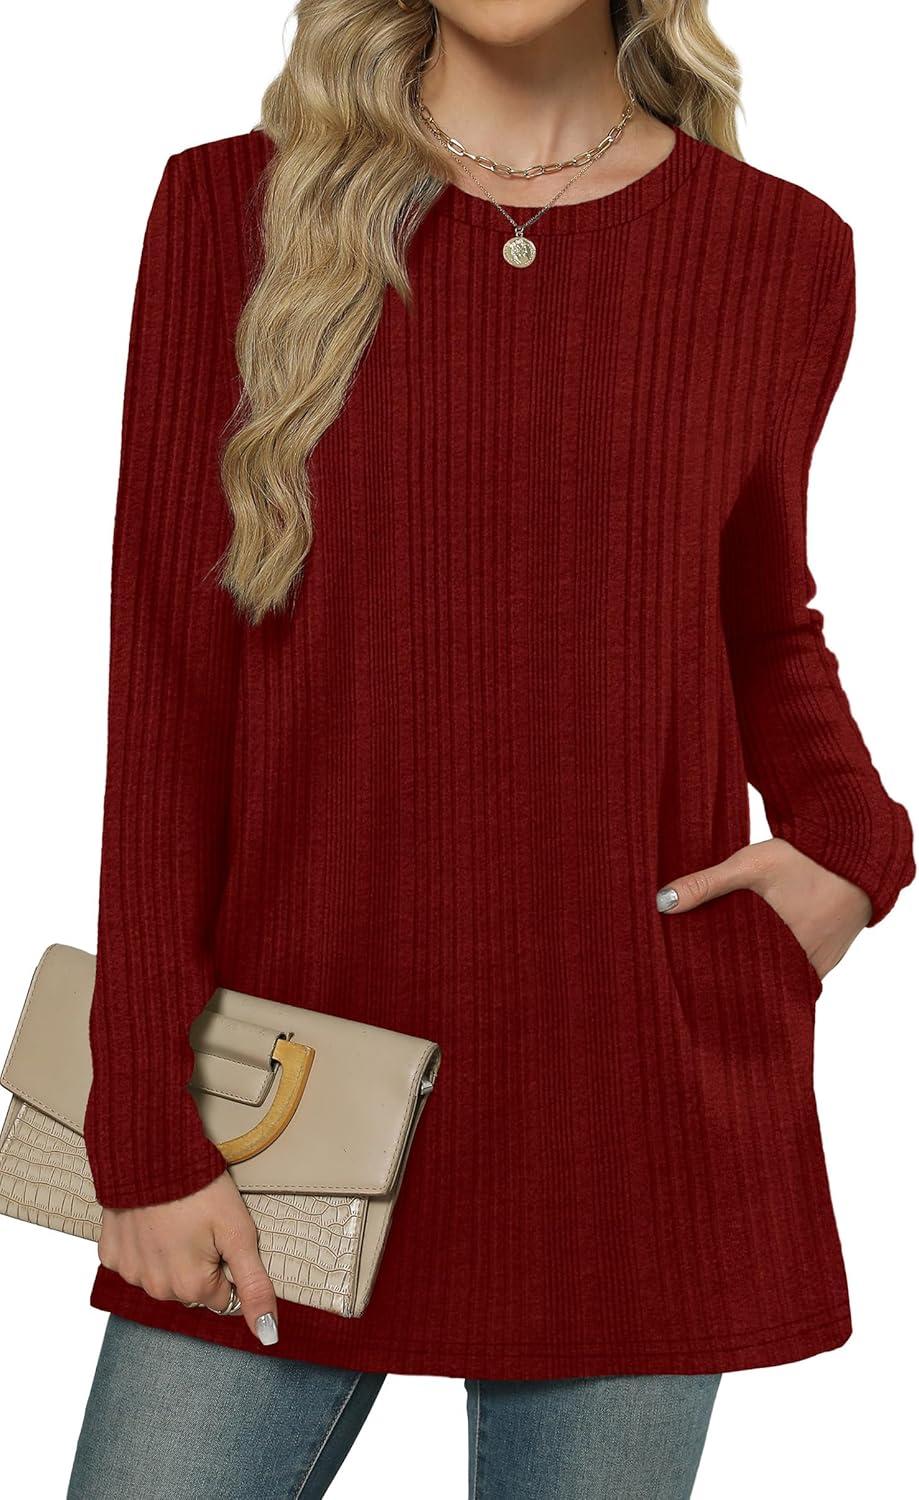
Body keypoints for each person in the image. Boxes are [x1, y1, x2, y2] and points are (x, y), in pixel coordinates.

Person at [66, 1, 915, 1496]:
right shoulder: (231, 209)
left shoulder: (777, 249)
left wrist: (855, 846)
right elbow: (168, 687)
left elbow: (757, 615)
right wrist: (140, 1124)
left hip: (630, 1099)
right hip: (280, 1102)